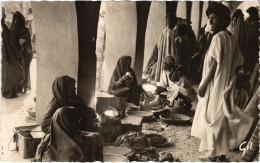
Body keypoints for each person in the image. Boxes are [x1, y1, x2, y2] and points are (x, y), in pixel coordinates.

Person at [191, 3, 244, 161]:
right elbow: (238, 62)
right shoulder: (231, 38)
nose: (211, 22)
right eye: (209, 18)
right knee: (221, 117)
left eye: (214, 18)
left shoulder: (217, 38)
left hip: (214, 84)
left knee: (212, 116)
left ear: (222, 20)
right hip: (226, 84)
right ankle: (220, 153)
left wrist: (204, 85)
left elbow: (214, 64)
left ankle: (212, 154)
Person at [35, 76, 103, 162]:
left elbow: (91, 113)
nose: (75, 88)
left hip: (76, 132)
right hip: (60, 136)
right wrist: (64, 129)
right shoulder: (54, 105)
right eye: (71, 86)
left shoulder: (75, 100)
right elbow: (44, 126)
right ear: (63, 89)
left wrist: (80, 104)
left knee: (94, 135)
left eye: (74, 86)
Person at [1, 7, 24, 98]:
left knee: (10, 71)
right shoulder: (5, 26)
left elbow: (11, 39)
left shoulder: (7, 27)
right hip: (7, 53)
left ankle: (11, 92)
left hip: (9, 53)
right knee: (9, 71)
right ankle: (9, 93)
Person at [11, 11, 33, 93]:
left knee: (23, 70)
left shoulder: (23, 29)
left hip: (22, 54)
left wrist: (21, 48)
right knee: (21, 70)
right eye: (15, 19)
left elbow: (28, 43)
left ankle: (23, 87)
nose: (16, 21)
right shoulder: (13, 29)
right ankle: (20, 87)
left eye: (17, 19)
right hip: (20, 53)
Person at [155, 13, 177, 82]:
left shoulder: (166, 31)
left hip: (166, 54)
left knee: (167, 67)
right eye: (168, 20)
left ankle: (164, 81)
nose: (169, 22)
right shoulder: (169, 32)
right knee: (166, 66)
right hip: (168, 54)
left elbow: (158, 45)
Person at [244, 7, 259, 73]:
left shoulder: (257, 21)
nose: (249, 15)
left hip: (254, 43)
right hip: (248, 42)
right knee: (248, 56)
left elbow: (254, 33)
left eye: (250, 14)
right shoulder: (249, 20)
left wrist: (248, 26)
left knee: (252, 57)